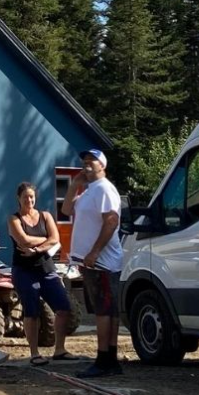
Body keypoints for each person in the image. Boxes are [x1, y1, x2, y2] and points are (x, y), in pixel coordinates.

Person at [63, 148, 123, 378]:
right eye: (85, 161)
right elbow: (66, 209)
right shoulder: (89, 191)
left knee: (104, 311)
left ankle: (104, 359)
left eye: (92, 161)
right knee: (104, 309)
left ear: (102, 165)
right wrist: (73, 185)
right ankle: (109, 360)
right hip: (91, 262)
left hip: (102, 262)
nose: (87, 164)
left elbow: (111, 221)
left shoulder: (104, 189)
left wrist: (95, 251)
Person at [7, 181, 73, 364]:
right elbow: (24, 240)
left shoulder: (45, 216)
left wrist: (37, 249)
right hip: (24, 271)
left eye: (31, 197)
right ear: (18, 198)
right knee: (32, 311)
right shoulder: (14, 219)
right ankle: (34, 353)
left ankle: (60, 349)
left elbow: (56, 238)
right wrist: (45, 239)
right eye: (25, 197)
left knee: (63, 307)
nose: (29, 200)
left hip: (46, 268)